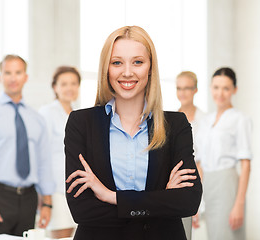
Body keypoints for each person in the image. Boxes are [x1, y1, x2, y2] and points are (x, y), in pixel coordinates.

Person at [65, 26, 202, 240]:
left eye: (137, 62)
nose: (127, 72)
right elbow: (81, 209)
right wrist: (162, 200)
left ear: (150, 68)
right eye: (117, 62)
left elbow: (188, 201)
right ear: (106, 69)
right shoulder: (81, 123)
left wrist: (112, 197)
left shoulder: (175, 124)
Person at [0, 55, 55, 236]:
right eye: (8, 73)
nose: (13, 78)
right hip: (1, 196)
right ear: (0, 77)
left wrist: (47, 203)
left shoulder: (36, 118)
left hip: (29, 198)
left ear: (25, 77)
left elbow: (44, 162)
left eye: (18, 72)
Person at [195, 67, 252, 240]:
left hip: (227, 186)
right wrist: (195, 202)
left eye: (226, 88)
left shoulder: (240, 119)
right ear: (211, 88)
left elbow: (246, 164)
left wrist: (239, 204)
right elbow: (199, 163)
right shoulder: (205, 122)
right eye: (216, 87)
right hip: (207, 185)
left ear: (234, 90)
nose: (220, 93)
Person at [39, 66, 81, 238]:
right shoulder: (46, 113)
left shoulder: (79, 114)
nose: (69, 88)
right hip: (56, 189)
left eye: (73, 83)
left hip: (77, 188)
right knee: (60, 235)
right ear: (55, 87)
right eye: (64, 84)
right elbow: (42, 155)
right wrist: (45, 197)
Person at [176, 71, 205, 239]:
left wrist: (197, 202)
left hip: (192, 184)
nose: (182, 93)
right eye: (179, 88)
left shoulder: (204, 121)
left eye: (187, 88)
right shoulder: (170, 118)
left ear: (195, 90)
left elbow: (200, 163)